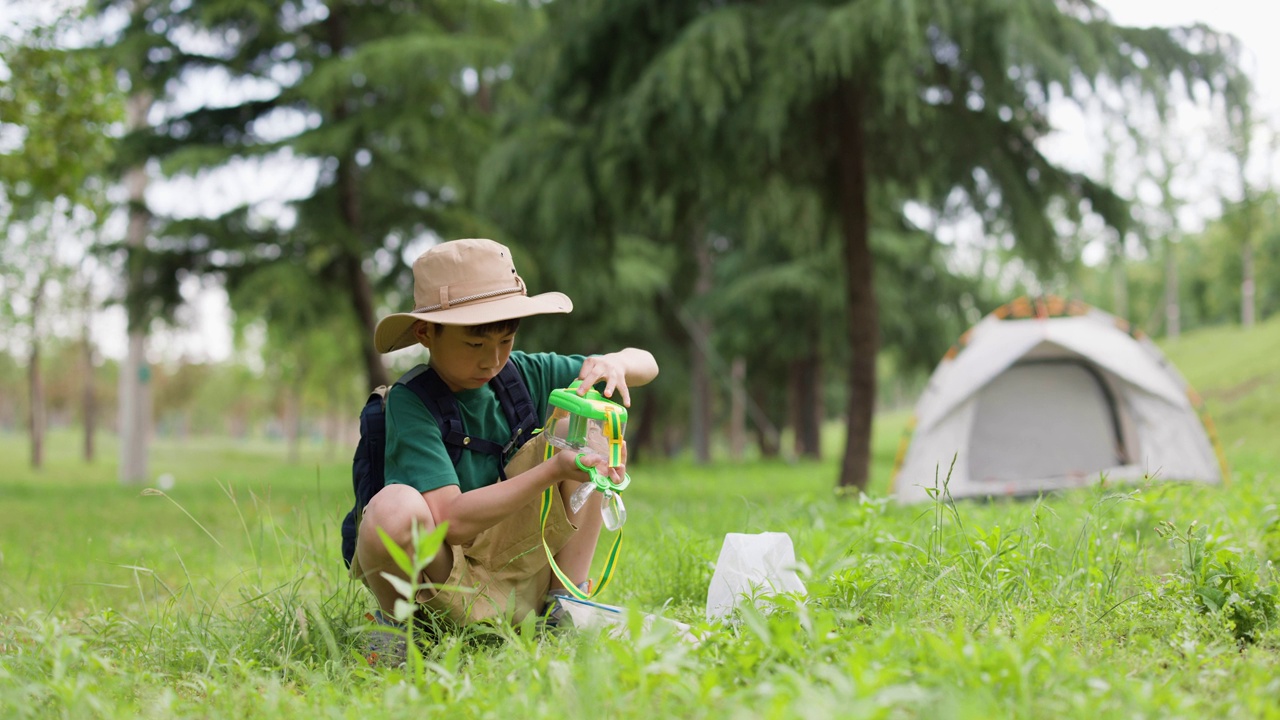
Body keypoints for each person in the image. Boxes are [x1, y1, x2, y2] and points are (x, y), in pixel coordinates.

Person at [353, 238, 659, 631]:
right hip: (446, 586)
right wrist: (552, 471)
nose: (492, 359)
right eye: (475, 343)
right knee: (391, 508)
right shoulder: (410, 403)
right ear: (427, 333)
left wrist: (614, 363)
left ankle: (566, 606)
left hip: (527, 573)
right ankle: (403, 629)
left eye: (505, 340)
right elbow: (452, 521)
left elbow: (647, 364)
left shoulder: (523, 374)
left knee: (584, 430)